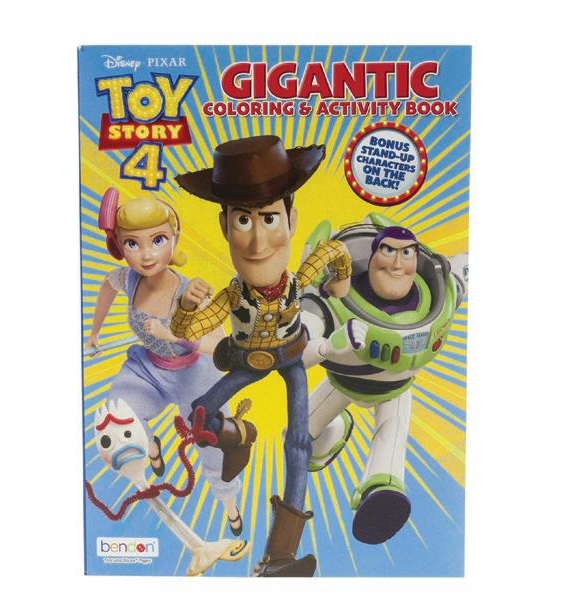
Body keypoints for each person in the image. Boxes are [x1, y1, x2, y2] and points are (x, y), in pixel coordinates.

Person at [171, 135, 352, 576]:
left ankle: (280, 555)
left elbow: (334, 251)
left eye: (269, 218)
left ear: (291, 220)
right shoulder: (232, 295)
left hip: (291, 359)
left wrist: (340, 283)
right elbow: (187, 331)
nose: (256, 243)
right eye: (242, 220)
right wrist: (186, 308)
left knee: (298, 442)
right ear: (224, 226)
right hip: (245, 360)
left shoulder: (298, 281)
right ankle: (239, 435)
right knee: (199, 415)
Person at [85, 188, 244, 536]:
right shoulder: (129, 279)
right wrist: (93, 333)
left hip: (195, 376)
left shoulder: (191, 294)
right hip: (149, 369)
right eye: (132, 243)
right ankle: (151, 445)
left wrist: (177, 336)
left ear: (174, 238)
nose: (146, 255)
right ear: (119, 246)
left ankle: (230, 506)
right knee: (117, 413)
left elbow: (223, 347)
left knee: (215, 444)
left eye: (157, 240)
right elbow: (107, 285)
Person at [300, 218, 468, 545]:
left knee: (391, 439)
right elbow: (296, 350)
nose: (397, 264)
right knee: (296, 438)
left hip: (395, 389)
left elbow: (464, 268)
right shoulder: (327, 301)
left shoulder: (439, 290)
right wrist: (326, 345)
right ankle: (325, 441)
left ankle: (381, 487)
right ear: (373, 255)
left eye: (407, 254)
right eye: (388, 251)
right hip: (343, 381)